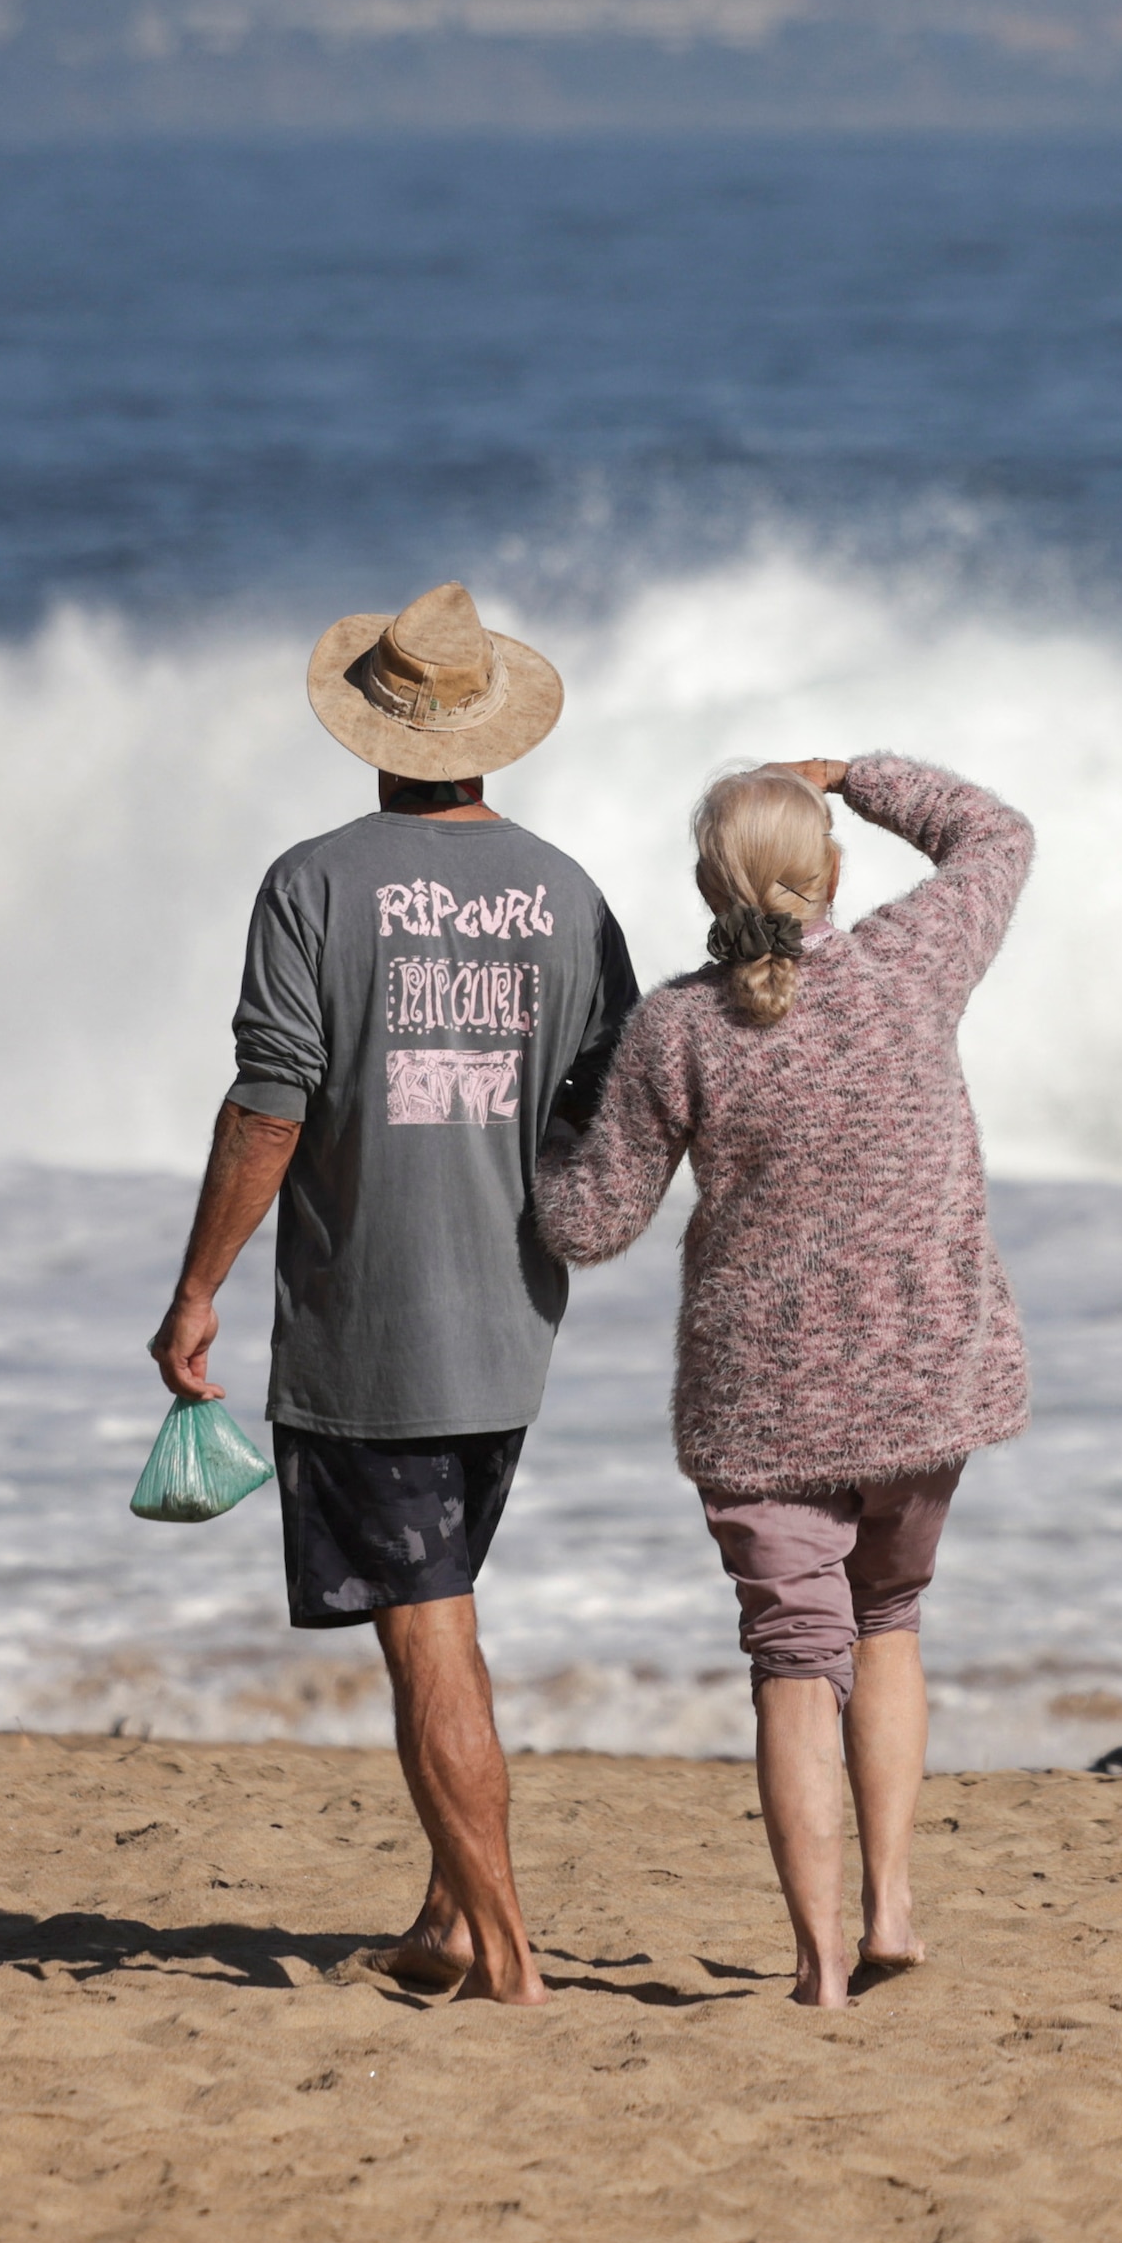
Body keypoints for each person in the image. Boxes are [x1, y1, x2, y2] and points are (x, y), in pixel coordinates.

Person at [149, 580, 633, 2009]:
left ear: (374, 728)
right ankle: (444, 1915)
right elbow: (610, 1119)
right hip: (511, 1323)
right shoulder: (570, 892)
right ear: (490, 730)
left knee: (430, 1627)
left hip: (373, 1321)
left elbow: (268, 1106)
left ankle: (510, 1950)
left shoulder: (313, 881)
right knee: (447, 1597)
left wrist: (196, 1291)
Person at [540, 751, 1034, 2008]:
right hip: (925, 1382)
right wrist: (859, 773)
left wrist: (533, 1134)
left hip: (760, 1407)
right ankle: (893, 1908)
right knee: (888, 1624)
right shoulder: (910, 963)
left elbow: (588, 1226)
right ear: (831, 875)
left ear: (707, 886)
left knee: (792, 1658)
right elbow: (993, 835)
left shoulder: (676, 1027)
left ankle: (818, 1967)